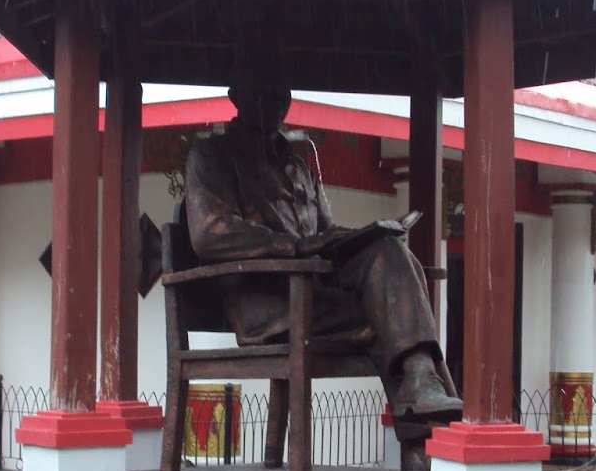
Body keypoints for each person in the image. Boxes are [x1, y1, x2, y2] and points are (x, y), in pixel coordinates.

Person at [184, 80, 462, 423]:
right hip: (268, 304)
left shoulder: (297, 165)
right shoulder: (211, 156)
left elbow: (324, 233)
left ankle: (423, 390)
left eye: (281, 91)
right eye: (262, 89)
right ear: (235, 96)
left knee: (389, 254)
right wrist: (293, 246)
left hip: (316, 296)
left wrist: (355, 238)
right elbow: (209, 233)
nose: (276, 100)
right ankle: (426, 404)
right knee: (390, 317)